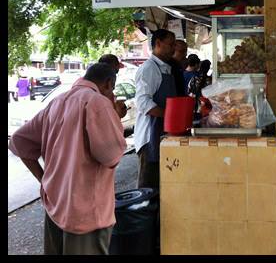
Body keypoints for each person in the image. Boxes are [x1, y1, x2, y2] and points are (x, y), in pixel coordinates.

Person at [8, 63, 126, 255]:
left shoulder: (57, 102)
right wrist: (115, 117)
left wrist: (44, 179)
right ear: (108, 83)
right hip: (86, 211)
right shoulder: (97, 103)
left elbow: (19, 141)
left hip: (56, 203)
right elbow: (111, 156)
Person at [134, 29, 178, 189]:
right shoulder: (149, 68)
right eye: (171, 44)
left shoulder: (164, 68)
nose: (174, 48)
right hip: (149, 139)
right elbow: (142, 102)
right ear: (158, 43)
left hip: (162, 136)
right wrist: (170, 115)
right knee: (148, 189)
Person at [98, 54, 127, 118]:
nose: (116, 74)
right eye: (116, 71)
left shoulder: (108, 92)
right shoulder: (98, 93)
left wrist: (120, 109)